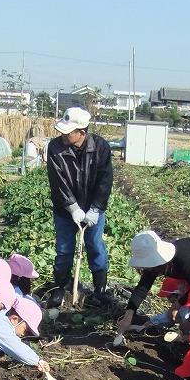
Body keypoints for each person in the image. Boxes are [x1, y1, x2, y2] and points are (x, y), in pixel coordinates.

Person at [46, 107, 113, 307]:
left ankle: (100, 289)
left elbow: (105, 181)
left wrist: (95, 208)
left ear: (81, 133)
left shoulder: (101, 147)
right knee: (65, 249)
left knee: (95, 246)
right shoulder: (55, 148)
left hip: (93, 209)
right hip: (65, 210)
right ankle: (61, 287)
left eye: (68, 132)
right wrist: (73, 207)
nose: (63, 135)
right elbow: (58, 182)